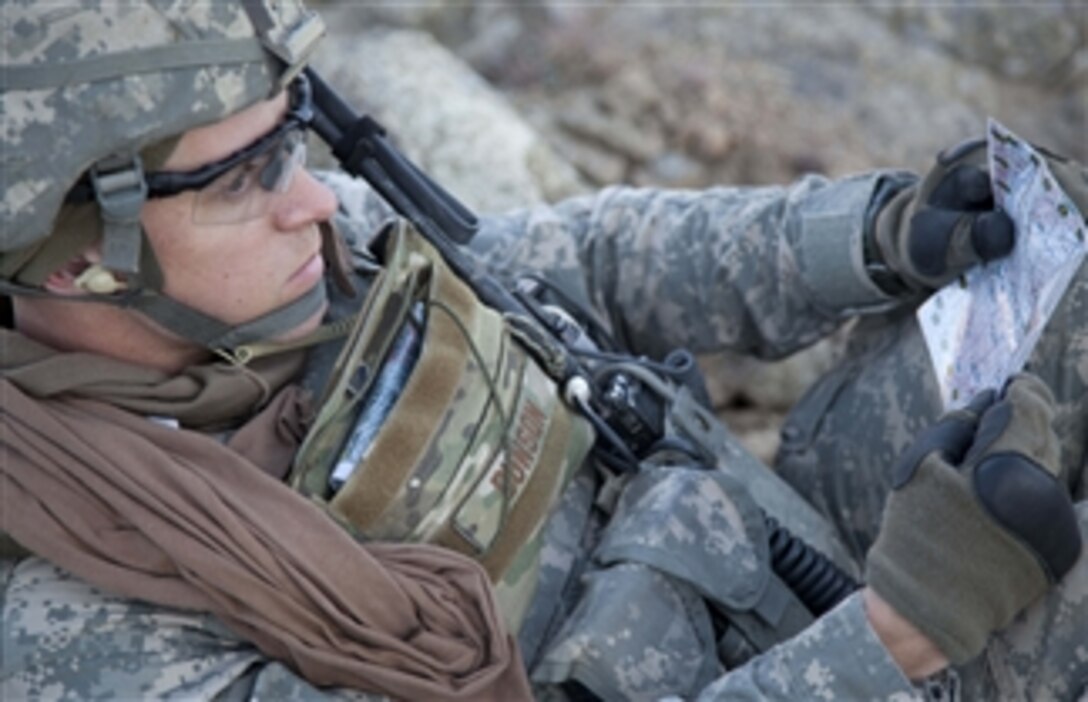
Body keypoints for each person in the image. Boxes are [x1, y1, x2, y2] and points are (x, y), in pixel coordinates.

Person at [1, 2, 1084, 701]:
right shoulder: (92, 632)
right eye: (241, 182)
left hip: (781, 539)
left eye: (294, 140)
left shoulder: (311, 259)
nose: (311, 203)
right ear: (70, 258)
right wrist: (902, 628)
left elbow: (577, 261)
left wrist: (866, 236)